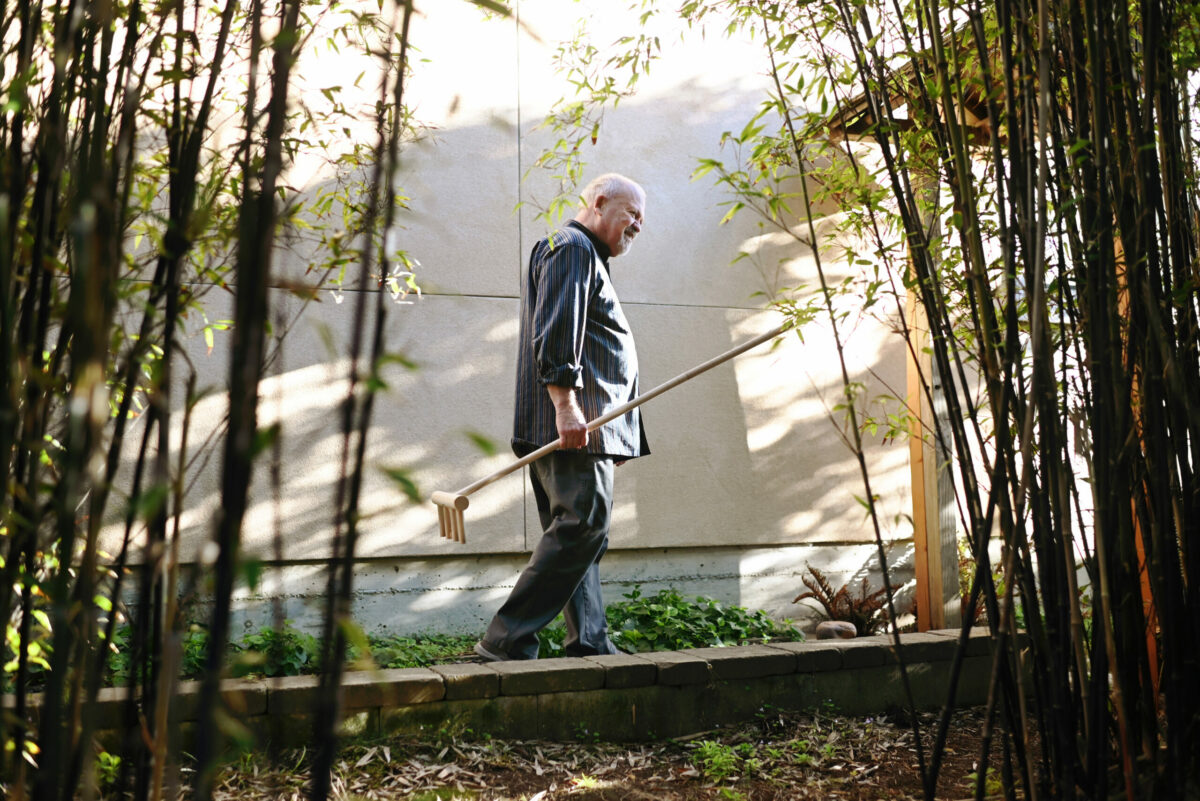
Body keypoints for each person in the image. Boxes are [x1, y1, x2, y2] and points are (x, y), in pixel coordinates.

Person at [474, 173, 649, 661]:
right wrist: (568, 407)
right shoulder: (571, 247)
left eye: (642, 218)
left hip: (586, 426)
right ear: (598, 202)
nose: (639, 225)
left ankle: (589, 642)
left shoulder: (581, 253)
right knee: (582, 526)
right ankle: (505, 639)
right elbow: (558, 331)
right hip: (575, 422)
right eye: (632, 213)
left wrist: (615, 432)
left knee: (580, 531)